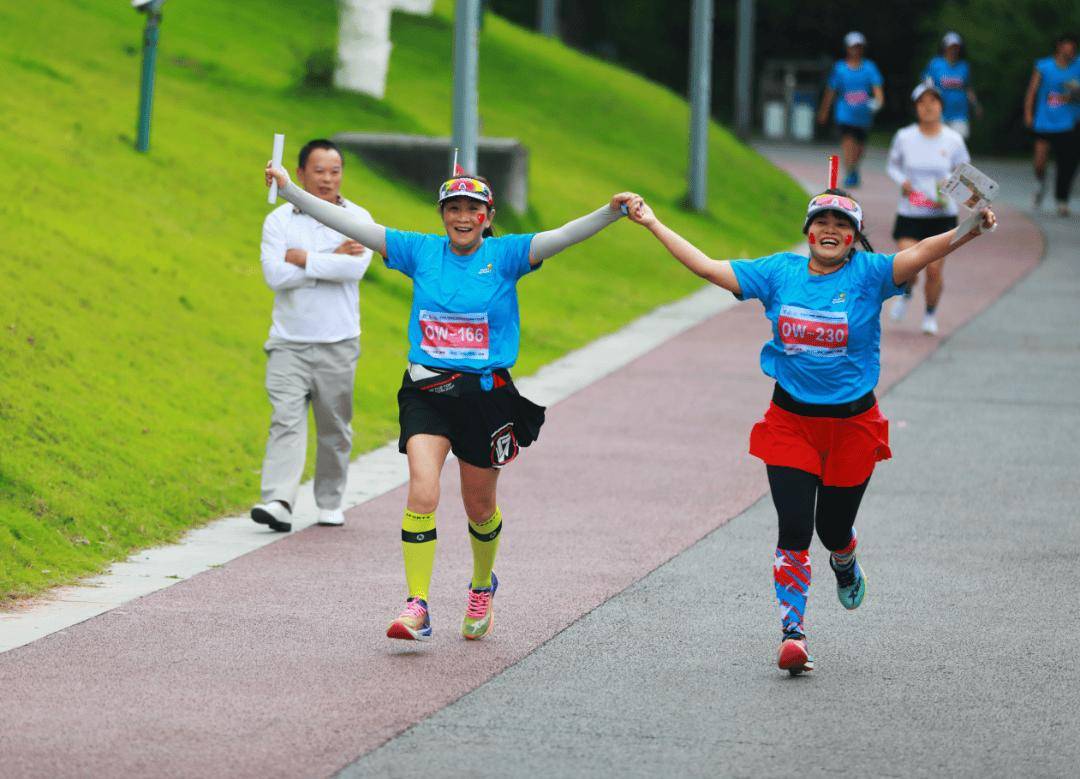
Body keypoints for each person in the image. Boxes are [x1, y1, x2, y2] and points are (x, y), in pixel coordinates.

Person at [624, 186, 996, 675]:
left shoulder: (870, 275)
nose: (830, 231)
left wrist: (969, 229)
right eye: (822, 222)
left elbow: (924, 251)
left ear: (855, 237)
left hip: (852, 427)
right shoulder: (779, 272)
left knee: (831, 529)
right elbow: (708, 267)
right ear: (807, 230)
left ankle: (844, 557)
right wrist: (651, 221)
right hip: (790, 424)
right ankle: (793, 634)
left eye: (842, 225)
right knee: (796, 527)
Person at [264, 161, 639, 642]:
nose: (463, 217)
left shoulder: (506, 255)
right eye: (453, 208)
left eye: (473, 209)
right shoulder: (420, 251)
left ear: (488, 215)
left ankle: (482, 584)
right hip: (427, 394)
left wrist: (609, 212)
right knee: (422, 488)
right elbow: (352, 225)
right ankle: (416, 606)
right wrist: (291, 189)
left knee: (479, 507)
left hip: (484, 398)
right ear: (442, 214)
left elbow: (562, 236)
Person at [251, 139, 375, 533]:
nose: (327, 179)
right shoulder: (279, 221)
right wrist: (332, 256)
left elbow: (354, 270)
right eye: (319, 171)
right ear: (300, 173)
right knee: (285, 420)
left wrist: (303, 257)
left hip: (338, 341)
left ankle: (329, 499)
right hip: (288, 340)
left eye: (334, 171)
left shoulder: (358, 216)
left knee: (334, 426)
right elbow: (275, 276)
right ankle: (279, 501)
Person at [886, 79, 971, 335]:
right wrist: (904, 182)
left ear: (941, 106)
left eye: (933, 101)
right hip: (910, 213)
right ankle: (908, 292)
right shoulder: (904, 137)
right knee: (908, 265)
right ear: (916, 108)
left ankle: (930, 314)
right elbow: (892, 165)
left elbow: (965, 172)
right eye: (922, 102)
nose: (928, 107)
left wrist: (951, 182)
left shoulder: (953, 140)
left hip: (942, 215)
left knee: (933, 270)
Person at [817, 31, 885, 188]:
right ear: (847, 48)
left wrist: (879, 102)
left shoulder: (869, 68)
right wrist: (824, 111)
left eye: (859, 47)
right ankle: (849, 172)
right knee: (848, 143)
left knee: (860, 148)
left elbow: (877, 88)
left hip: (863, 116)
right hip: (845, 114)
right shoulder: (840, 68)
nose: (856, 50)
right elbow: (831, 91)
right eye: (853, 47)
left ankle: (854, 168)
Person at [1024, 33, 1080, 216]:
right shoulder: (1044, 66)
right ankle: (1040, 183)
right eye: (1067, 45)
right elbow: (1032, 91)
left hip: (1069, 122)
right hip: (1045, 121)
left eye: (1073, 47)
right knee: (1040, 161)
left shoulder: (1078, 66)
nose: (1070, 50)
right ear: (1059, 46)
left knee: (1067, 163)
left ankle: (1062, 199)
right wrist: (1028, 113)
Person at [922, 31, 982, 139]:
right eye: (951, 47)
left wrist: (975, 105)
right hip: (940, 112)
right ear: (945, 47)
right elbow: (927, 86)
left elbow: (968, 88)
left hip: (960, 113)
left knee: (959, 139)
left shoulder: (964, 66)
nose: (954, 50)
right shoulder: (935, 64)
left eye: (956, 47)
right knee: (940, 142)